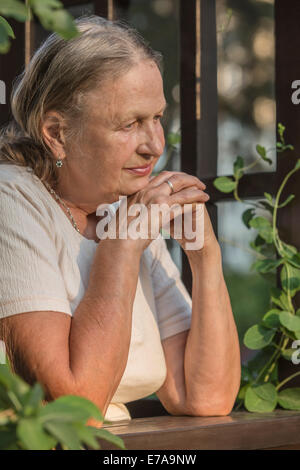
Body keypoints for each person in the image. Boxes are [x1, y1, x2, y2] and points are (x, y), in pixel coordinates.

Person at [0, 15, 241, 424]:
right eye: (129, 124)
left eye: (158, 118)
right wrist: (122, 247)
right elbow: (72, 411)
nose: (155, 145)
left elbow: (204, 396)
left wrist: (205, 258)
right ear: (56, 133)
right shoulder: (13, 199)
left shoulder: (122, 209)